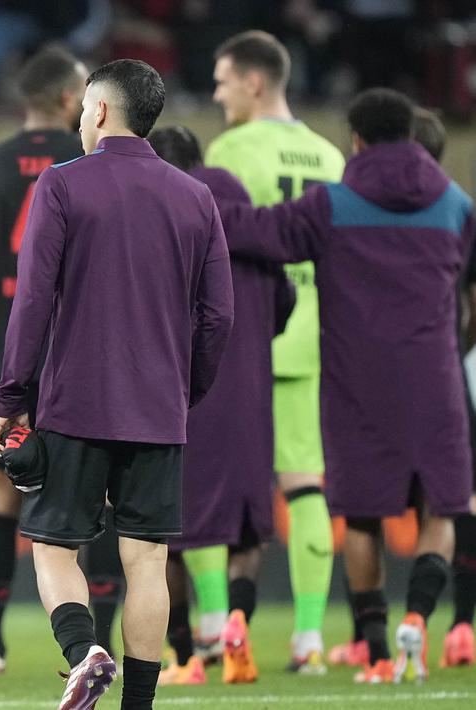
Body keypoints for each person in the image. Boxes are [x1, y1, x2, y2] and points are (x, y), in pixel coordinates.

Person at [0, 59, 234, 710]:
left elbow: (31, 300)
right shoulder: (195, 196)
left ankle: (83, 651)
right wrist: (186, 390)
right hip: (158, 408)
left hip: (74, 404)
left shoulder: (62, 185)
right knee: (147, 564)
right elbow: (218, 317)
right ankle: (138, 706)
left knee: (51, 547)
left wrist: (12, 395)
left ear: (97, 110)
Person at [217, 88, 474, 685]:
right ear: (412, 136)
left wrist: (191, 198)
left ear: (355, 139)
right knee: (442, 506)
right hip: (435, 376)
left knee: (362, 516)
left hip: (358, 383)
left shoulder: (332, 204)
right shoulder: (457, 205)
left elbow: (258, 232)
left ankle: (379, 648)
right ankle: (419, 615)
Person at [0, 44, 122, 675]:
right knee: (100, 496)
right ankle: (100, 634)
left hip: (10, 362)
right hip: (81, 361)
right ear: (63, 99)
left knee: (2, 493)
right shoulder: (84, 162)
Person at [206, 30, 345, 676]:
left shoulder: (229, 150)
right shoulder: (328, 157)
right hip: (316, 338)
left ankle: (212, 632)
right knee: (306, 486)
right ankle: (310, 639)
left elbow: (214, 248)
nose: (215, 92)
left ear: (254, 82)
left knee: (209, 485)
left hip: (246, 342)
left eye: (223, 79)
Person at [147, 126, 294, 686]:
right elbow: (285, 303)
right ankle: (236, 620)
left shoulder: (163, 223)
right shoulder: (250, 224)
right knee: (247, 530)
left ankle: (184, 657)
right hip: (249, 396)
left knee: (165, 535)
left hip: (175, 397)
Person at [419, 105, 476, 670]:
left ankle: (393, 630)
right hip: (457, 366)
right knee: (458, 496)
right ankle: (462, 627)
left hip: (410, 370)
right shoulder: (460, 207)